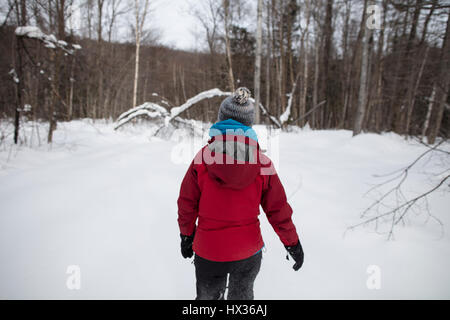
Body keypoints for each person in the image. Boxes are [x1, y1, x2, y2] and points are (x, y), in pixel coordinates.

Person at [177, 87, 304, 300]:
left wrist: (186, 235)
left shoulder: (202, 158)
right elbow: (278, 209)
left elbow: (187, 202)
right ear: (248, 125)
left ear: (221, 120)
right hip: (247, 252)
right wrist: (292, 243)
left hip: (209, 251)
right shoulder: (263, 163)